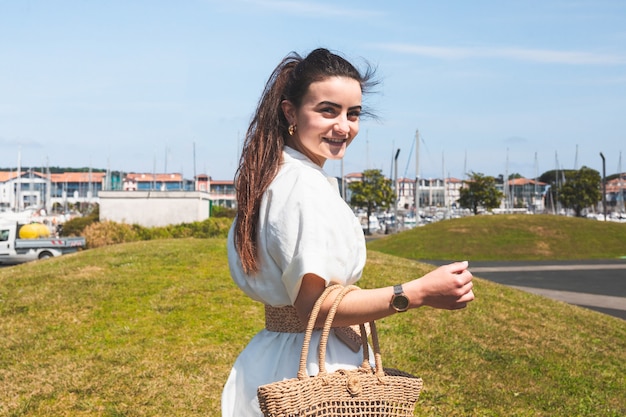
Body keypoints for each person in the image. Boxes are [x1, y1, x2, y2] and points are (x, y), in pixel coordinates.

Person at [221, 48, 474, 416]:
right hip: (309, 368)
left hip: (279, 355)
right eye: (328, 110)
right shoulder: (301, 186)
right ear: (290, 111)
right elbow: (315, 309)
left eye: (353, 113)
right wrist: (417, 292)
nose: (344, 126)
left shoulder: (280, 175)